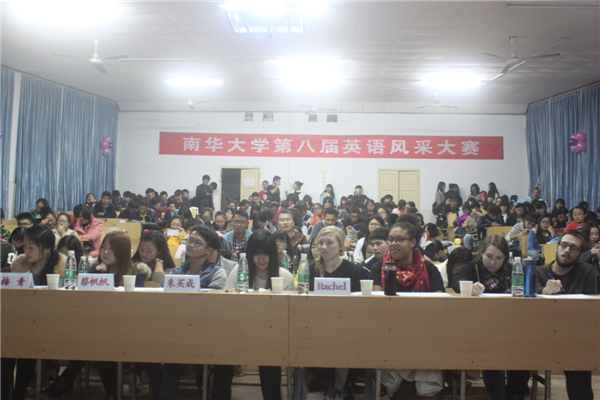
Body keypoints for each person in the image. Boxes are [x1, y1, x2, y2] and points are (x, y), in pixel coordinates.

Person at [216, 230, 293, 400]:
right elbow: (226, 302)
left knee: (269, 360)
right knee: (222, 357)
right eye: (256, 254)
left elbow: (288, 314)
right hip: (239, 331)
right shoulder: (239, 271)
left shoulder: (284, 276)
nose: (261, 258)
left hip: (270, 335)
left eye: (266, 254)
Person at [451, 235, 529, 400]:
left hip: (510, 324)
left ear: (505, 258)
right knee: (492, 348)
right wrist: (470, 287)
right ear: (481, 253)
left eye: (499, 258)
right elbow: (457, 280)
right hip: (480, 327)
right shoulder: (472, 267)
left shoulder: (511, 270)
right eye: (489, 256)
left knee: (523, 345)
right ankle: (498, 396)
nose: (493, 262)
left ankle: (516, 392)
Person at [536, 230, 596, 400]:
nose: (567, 250)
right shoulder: (539, 272)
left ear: (581, 254)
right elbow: (529, 302)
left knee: (578, 353)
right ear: (557, 246)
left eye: (574, 248)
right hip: (541, 334)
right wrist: (544, 291)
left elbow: (590, 308)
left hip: (572, 335)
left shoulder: (586, 271)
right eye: (564, 245)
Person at [370, 221, 444, 293]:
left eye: (400, 240)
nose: (394, 243)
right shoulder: (379, 269)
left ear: (413, 242)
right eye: (391, 240)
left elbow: (438, 299)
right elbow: (378, 299)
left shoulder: (429, 270)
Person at [580, 222, 600, 287]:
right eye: (591, 234)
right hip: (584, 278)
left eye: (597, 234)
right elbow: (577, 261)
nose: (594, 237)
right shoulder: (580, 246)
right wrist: (590, 252)